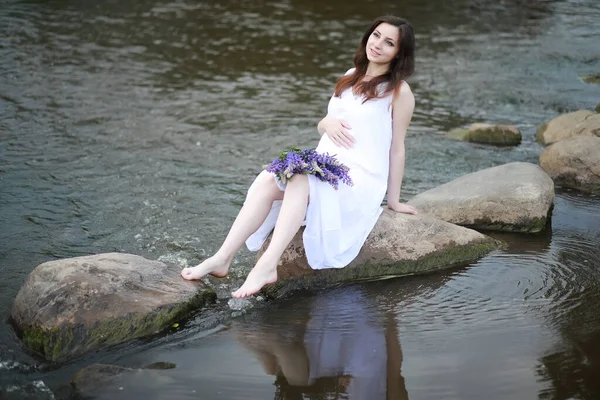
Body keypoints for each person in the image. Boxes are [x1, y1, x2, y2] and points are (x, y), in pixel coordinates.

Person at [181, 15, 418, 298]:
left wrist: (393, 200)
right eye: (376, 35)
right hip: (325, 162)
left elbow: (397, 148)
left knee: (299, 179)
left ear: (399, 54)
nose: (377, 44)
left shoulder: (399, 92)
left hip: (359, 178)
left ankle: (268, 265)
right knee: (271, 178)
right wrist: (325, 123)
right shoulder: (349, 76)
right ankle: (223, 257)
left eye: (389, 42)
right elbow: (329, 123)